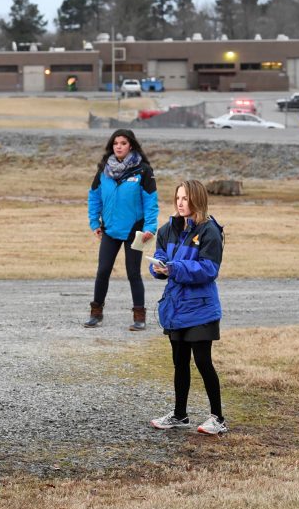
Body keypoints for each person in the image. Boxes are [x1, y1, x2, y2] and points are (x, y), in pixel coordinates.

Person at [149, 179, 227, 435]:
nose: (181, 203)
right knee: (179, 362)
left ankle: (218, 419)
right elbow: (161, 257)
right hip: (176, 307)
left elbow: (208, 269)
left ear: (197, 200)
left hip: (201, 308)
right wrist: (158, 267)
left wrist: (174, 268)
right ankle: (180, 415)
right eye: (178, 198)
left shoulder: (209, 231)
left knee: (203, 361)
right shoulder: (167, 230)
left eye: (186, 198)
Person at [86, 129, 159, 330]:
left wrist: (150, 227)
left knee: (133, 273)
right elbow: (94, 197)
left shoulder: (143, 170)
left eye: (123, 143)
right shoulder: (103, 170)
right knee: (102, 271)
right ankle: (96, 313)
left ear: (131, 146)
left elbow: (151, 202)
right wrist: (94, 223)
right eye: (115, 143)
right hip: (110, 230)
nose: (118, 146)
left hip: (134, 231)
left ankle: (139, 316)